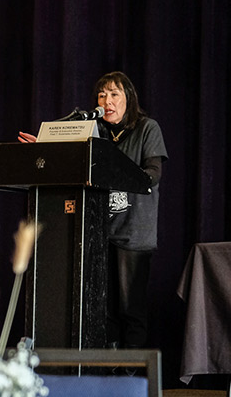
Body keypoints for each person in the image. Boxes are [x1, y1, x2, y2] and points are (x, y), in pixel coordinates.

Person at [19, 71, 168, 351]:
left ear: (129, 99)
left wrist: (120, 172)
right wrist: (42, 152)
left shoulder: (147, 128)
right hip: (98, 232)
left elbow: (153, 173)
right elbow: (70, 163)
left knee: (129, 309)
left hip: (133, 234)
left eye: (114, 94)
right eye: (102, 95)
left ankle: (130, 376)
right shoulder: (94, 130)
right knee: (103, 309)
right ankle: (108, 371)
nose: (107, 101)